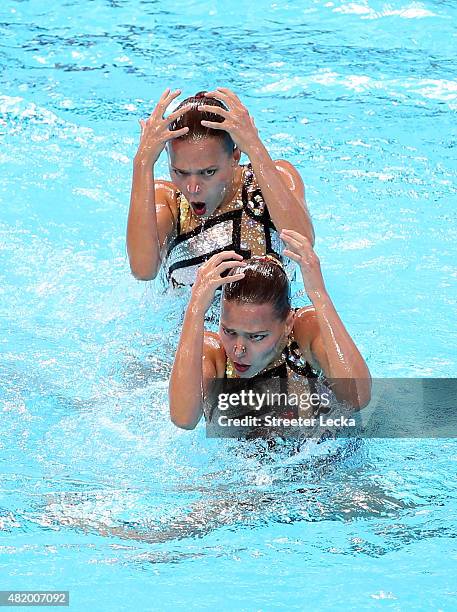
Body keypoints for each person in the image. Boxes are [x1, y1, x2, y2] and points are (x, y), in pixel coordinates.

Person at [169, 229, 371, 431]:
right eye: (229, 332)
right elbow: (183, 419)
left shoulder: (305, 331)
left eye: (256, 336)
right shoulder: (213, 354)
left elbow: (357, 398)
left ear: (287, 324)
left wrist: (319, 295)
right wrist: (195, 310)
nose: (238, 350)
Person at [127, 87, 315, 287]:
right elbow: (143, 270)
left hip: (270, 318)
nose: (193, 188)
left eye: (208, 172)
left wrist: (255, 148)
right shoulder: (167, 201)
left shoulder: (269, 180)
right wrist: (142, 163)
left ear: (235, 155)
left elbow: (303, 246)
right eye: (180, 172)